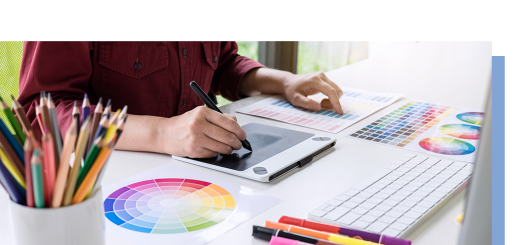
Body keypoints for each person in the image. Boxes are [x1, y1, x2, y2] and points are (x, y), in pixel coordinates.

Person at [17, 41, 345, 159]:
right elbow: (42, 110)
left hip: (203, 175)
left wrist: (285, 81)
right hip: (109, 187)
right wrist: (162, 133)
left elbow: (223, 64)